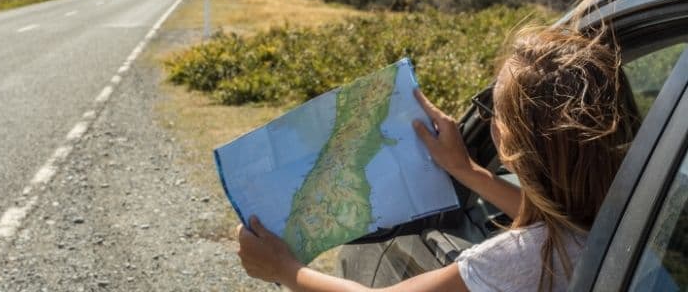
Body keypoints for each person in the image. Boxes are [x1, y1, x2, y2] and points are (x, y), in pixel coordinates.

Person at [235, 21, 641, 292]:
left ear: (510, 142)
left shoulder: (525, 257)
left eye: (492, 112)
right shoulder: (628, 210)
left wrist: (285, 270)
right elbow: (561, 216)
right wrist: (466, 169)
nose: (490, 122)